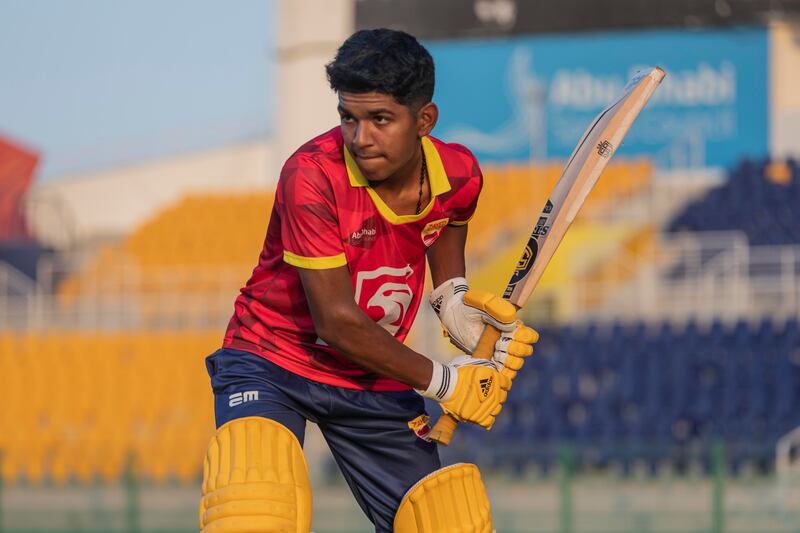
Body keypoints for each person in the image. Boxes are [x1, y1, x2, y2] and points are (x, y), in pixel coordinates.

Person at [199, 28, 538, 533]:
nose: (360, 138)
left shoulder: (461, 173)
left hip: (369, 374)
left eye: (380, 119)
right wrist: (447, 382)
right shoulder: (310, 175)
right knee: (253, 514)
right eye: (348, 118)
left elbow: (449, 221)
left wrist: (452, 300)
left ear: (425, 120)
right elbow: (336, 323)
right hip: (272, 358)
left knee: (445, 525)